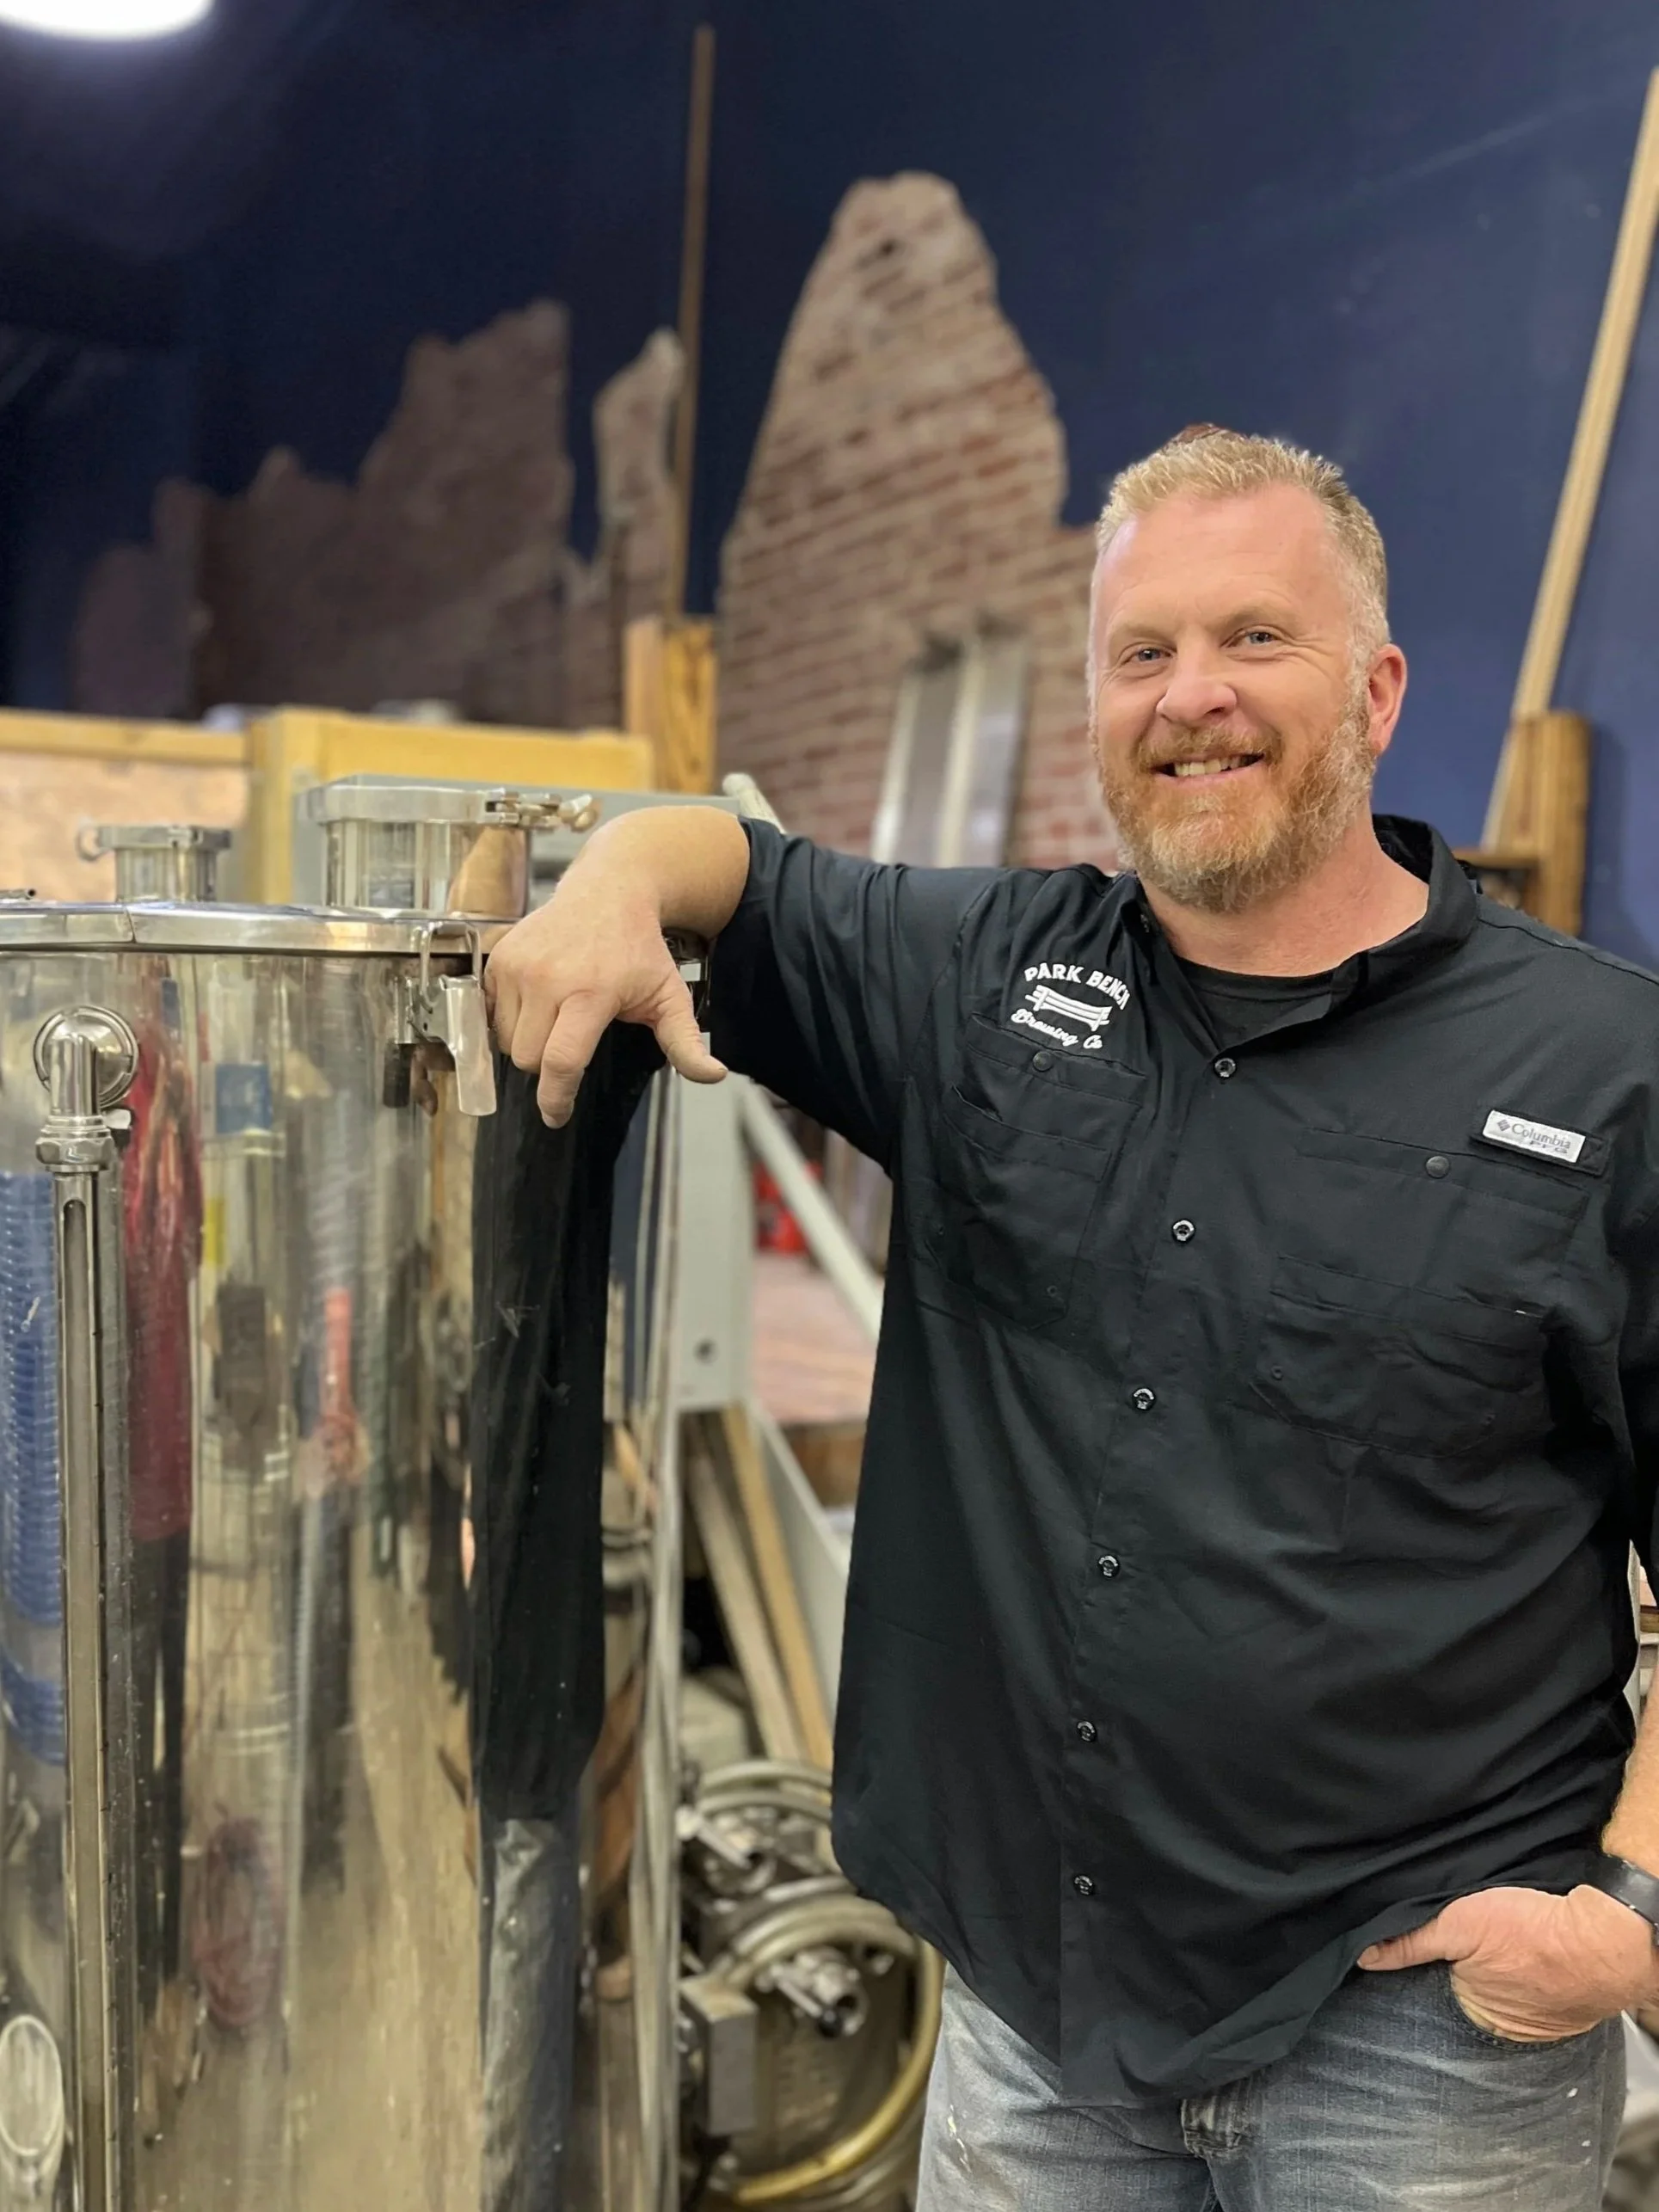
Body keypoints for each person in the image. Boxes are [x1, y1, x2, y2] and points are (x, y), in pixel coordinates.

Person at [484, 427, 1659, 2209]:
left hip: (1419, 2040)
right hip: (1037, 2022)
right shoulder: (988, 984)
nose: (1192, 696)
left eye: (1254, 636)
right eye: (1141, 652)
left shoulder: (1605, 1073)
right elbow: (724, 855)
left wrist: (1627, 1920)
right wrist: (606, 884)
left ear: (1377, 690)